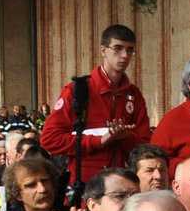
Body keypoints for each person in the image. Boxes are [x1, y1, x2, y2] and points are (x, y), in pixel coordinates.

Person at [39, 25, 152, 186]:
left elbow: (145, 146)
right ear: (103, 51)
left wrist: (126, 137)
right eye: (118, 48)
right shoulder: (77, 90)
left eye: (130, 50)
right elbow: (49, 139)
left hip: (124, 184)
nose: (124, 55)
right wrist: (99, 141)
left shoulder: (134, 95)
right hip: (88, 186)